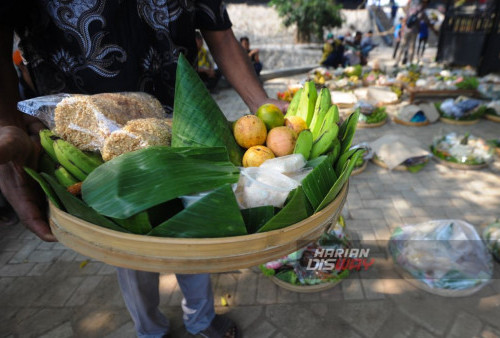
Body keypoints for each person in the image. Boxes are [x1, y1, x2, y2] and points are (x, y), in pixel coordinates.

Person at [0, 2, 287, 337]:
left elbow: (219, 33)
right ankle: (150, 329)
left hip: (181, 123)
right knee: (129, 246)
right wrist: (6, 123)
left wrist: (262, 105)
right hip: (90, 135)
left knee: (196, 227)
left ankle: (201, 318)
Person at [395, 0, 436, 66]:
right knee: (411, 47)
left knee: (402, 46)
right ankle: (409, 63)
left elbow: (405, 18)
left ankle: (397, 62)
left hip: (407, 29)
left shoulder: (411, 8)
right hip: (414, 31)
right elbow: (427, 22)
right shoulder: (422, 11)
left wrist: (402, 29)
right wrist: (435, 31)